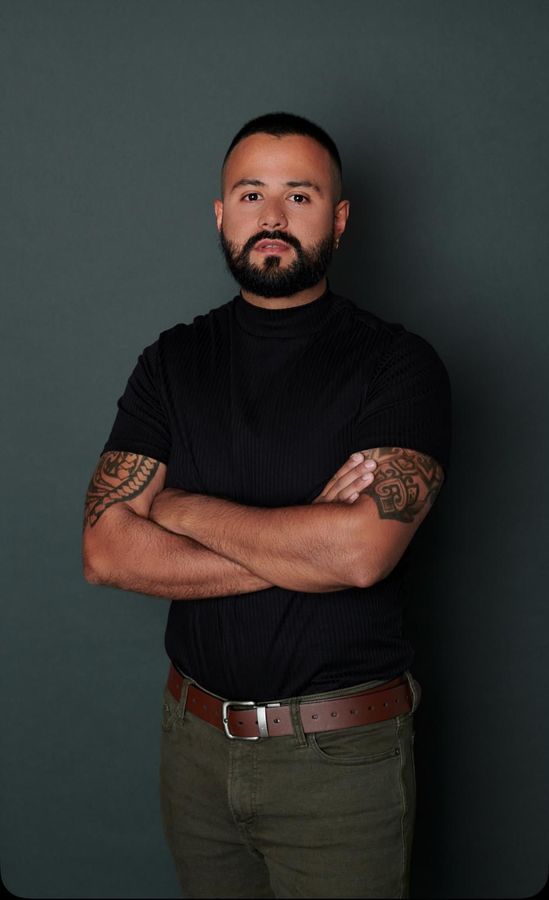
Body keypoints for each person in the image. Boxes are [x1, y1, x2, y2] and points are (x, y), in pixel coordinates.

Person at [83, 111, 451, 899]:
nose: (272, 217)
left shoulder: (398, 365)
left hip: (340, 761)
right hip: (193, 747)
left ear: (339, 219)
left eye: (300, 195)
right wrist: (297, 545)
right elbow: (107, 552)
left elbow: (359, 555)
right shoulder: (171, 362)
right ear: (221, 214)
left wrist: (176, 506)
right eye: (250, 195)